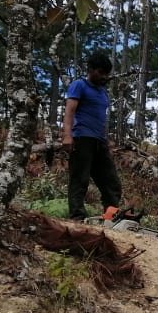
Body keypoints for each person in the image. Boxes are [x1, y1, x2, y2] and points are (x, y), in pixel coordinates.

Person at [61, 52, 123, 222]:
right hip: (82, 138)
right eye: (100, 72)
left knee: (111, 182)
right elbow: (69, 111)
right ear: (91, 69)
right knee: (79, 179)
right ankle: (77, 218)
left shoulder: (103, 92)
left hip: (99, 141)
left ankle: (112, 218)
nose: (104, 76)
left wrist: (106, 140)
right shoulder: (79, 85)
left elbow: (100, 118)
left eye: (106, 73)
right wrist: (67, 135)